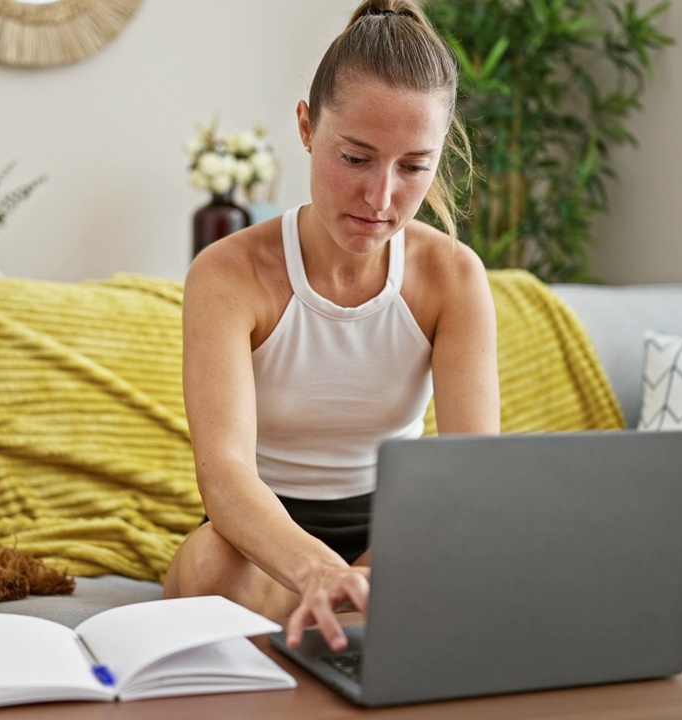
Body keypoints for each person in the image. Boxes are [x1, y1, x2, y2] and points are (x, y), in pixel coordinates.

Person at [162, 0, 500, 653]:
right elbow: (225, 475)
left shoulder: (454, 277)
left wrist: (365, 576)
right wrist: (317, 570)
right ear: (307, 127)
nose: (381, 200)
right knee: (205, 573)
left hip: (399, 532)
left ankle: (351, 628)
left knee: (500, 567)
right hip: (261, 535)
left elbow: (470, 473)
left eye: (412, 167)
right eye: (356, 158)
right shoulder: (229, 273)